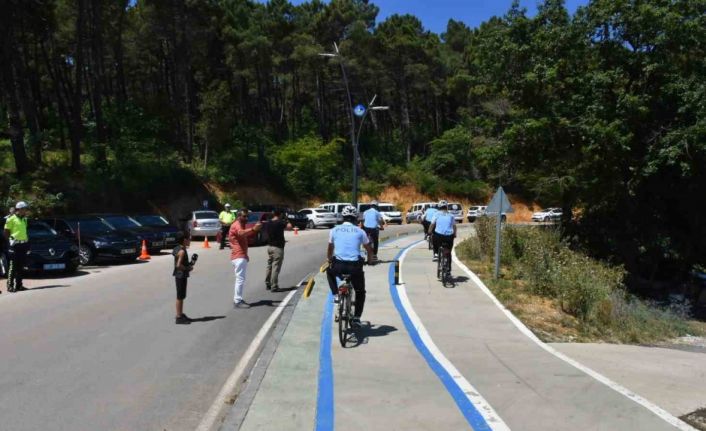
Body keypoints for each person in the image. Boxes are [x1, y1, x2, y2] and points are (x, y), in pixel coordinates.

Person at [327, 206, 374, 328]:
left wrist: (329, 259)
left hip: (338, 265)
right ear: (355, 218)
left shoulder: (334, 230)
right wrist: (369, 261)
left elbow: (330, 248)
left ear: (343, 218)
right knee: (360, 291)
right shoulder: (360, 231)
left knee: (329, 271)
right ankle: (357, 318)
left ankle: (336, 295)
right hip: (354, 267)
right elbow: (369, 249)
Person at [229, 209, 262, 308]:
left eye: (247, 216)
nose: (246, 218)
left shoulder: (240, 224)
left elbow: (243, 235)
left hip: (240, 255)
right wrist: (253, 229)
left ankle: (238, 299)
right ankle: (237, 300)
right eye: (244, 216)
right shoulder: (237, 224)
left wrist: (245, 255)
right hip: (238, 256)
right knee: (240, 279)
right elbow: (241, 233)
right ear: (238, 216)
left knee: (240, 279)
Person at [3, 201, 30, 292]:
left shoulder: (25, 219)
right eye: (24, 209)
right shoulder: (11, 219)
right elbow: (6, 232)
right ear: (19, 209)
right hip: (14, 245)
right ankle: (10, 286)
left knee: (20, 266)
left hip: (23, 244)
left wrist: (27, 244)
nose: (26, 211)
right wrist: (9, 244)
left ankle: (19, 285)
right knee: (13, 266)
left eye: (26, 209)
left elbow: (24, 232)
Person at [264, 209, 292, 292]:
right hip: (278, 248)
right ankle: (274, 286)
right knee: (275, 267)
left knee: (269, 266)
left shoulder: (269, 222)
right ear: (280, 215)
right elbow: (290, 227)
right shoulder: (280, 222)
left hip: (270, 247)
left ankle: (267, 283)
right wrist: (287, 220)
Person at [172, 231, 194, 324]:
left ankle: (180, 313)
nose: (190, 240)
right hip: (181, 275)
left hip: (179, 275)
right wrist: (187, 268)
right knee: (180, 296)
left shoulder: (178, 248)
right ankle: (178, 317)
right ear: (184, 240)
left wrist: (190, 263)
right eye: (189, 238)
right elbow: (178, 265)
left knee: (181, 295)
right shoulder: (182, 251)